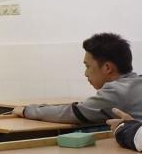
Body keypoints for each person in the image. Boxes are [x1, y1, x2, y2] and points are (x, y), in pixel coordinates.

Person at [12, 33, 142, 123]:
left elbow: (73, 113)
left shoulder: (117, 91)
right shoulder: (135, 83)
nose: (85, 73)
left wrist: (26, 110)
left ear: (107, 67)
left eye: (88, 66)